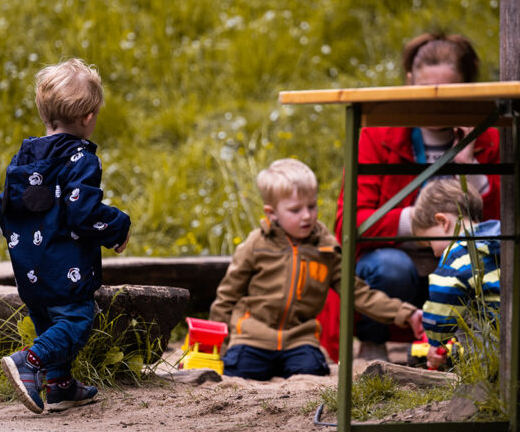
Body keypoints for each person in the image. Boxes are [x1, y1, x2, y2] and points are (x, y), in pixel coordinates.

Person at [320, 31, 501, 362]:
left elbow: (501, 226)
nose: (433, 102)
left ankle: (464, 346)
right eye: (424, 91)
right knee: (390, 268)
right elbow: (350, 224)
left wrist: (468, 165)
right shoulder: (376, 135)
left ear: (467, 90)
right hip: (398, 266)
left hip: (464, 267)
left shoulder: (489, 137)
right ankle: (374, 343)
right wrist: (423, 223)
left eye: (445, 93)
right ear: (408, 83)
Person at [0, 58, 130, 413]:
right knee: (77, 319)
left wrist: (21, 243)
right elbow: (82, 212)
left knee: (49, 322)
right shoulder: (81, 158)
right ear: (88, 118)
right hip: (63, 267)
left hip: (29, 270)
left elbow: (2, 205)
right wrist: (117, 225)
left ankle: (59, 385)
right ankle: (30, 362)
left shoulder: (24, 159)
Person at [209, 159, 423, 381]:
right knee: (239, 370)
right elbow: (228, 294)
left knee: (312, 370)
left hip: (299, 338)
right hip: (252, 336)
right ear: (272, 213)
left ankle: (286, 363)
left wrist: (405, 313)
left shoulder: (326, 248)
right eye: (295, 210)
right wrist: (217, 341)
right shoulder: (257, 244)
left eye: (312, 206)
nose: (307, 216)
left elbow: (357, 292)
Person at [411, 178, 501, 371]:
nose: (434, 253)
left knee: (459, 310)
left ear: (442, 222)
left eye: (429, 243)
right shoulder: (499, 240)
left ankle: (480, 374)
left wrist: (435, 344)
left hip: (493, 348)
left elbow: (441, 307)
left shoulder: (457, 253)